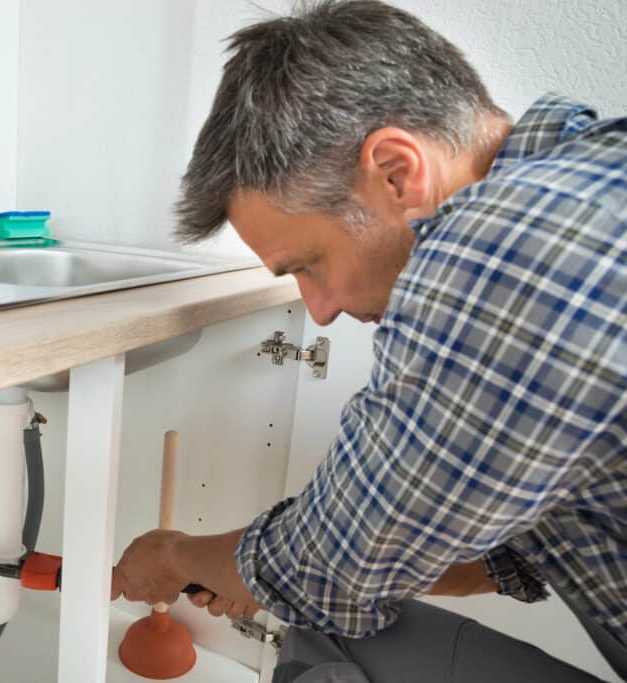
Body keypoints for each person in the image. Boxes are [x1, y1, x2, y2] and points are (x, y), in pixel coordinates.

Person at [109, 1, 627, 680]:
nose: (319, 312)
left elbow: (333, 568)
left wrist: (176, 555)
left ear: (395, 171)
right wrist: (264, 572)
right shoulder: (588, 177)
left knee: (323, 622)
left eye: (308, 264)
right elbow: (519, 548)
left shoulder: (511, 247)